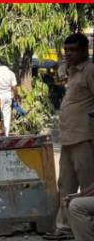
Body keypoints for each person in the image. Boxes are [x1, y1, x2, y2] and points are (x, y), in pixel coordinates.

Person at [46, 33, 94, 240]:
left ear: (85, 50)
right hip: (68, 136)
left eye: (73, 50)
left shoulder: (90, 70)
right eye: (66, 50)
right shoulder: (72, 71)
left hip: (85, 136)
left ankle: (86, 228)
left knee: (88, 185)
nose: (68, 54)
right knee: (65, 183)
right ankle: (64, 228)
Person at [0, 57, 18, 137]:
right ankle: (6, 135)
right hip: (7, 97)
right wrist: (16, 97)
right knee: (7, 116)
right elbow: (14, 88)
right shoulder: (11, 73)